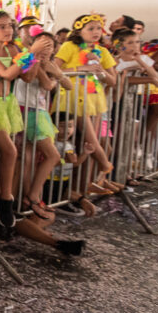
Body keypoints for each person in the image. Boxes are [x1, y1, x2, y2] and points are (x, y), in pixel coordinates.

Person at [0, 9, 52, 227]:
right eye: (3, 26)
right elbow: (6, 74)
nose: (9, 30)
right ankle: (6, 199)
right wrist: (30, 53)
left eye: (10, 26)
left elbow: (26, 77)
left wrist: (34, 57)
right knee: (9, 151)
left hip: (6, 104)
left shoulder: (13, 48)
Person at [53, 14, 117, 195]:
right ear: (79, 31)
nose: (96, 32)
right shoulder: (69, 46)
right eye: (91, 28)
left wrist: (101, 71)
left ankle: (83, 187)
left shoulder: (102, 51)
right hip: (71, 97)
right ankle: (105, 165)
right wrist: (80, 69)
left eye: (99, 28)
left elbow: (113, 80)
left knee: (86, 145)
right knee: (89, 140)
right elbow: (54, 68)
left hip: (93, 99)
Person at [15, 32, 69, 219]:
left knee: (29, 160)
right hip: (27, 111)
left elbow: (67, 84)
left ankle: (27, 198)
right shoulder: (26, 58)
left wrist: (57, 73)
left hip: (38, 111)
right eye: (42, 45)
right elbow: (44, 84)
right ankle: (32, 196)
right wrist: (41, 65)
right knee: (52, 155)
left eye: (49, 47)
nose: (46, 50)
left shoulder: (49, 64)